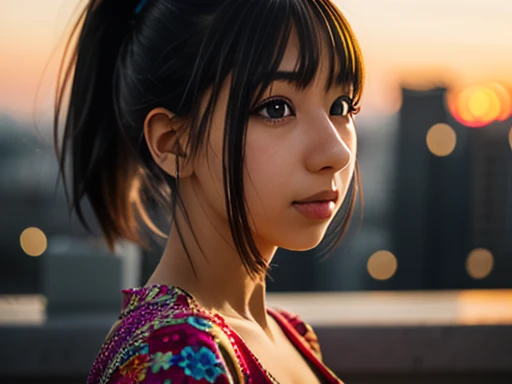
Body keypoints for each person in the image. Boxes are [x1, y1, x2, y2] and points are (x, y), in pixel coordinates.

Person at [53, 0, 364, 382]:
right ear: (172, 142)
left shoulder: (290, 333)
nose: (336, 151)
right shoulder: (173, 357)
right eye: (276, 108)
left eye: (341, 105)